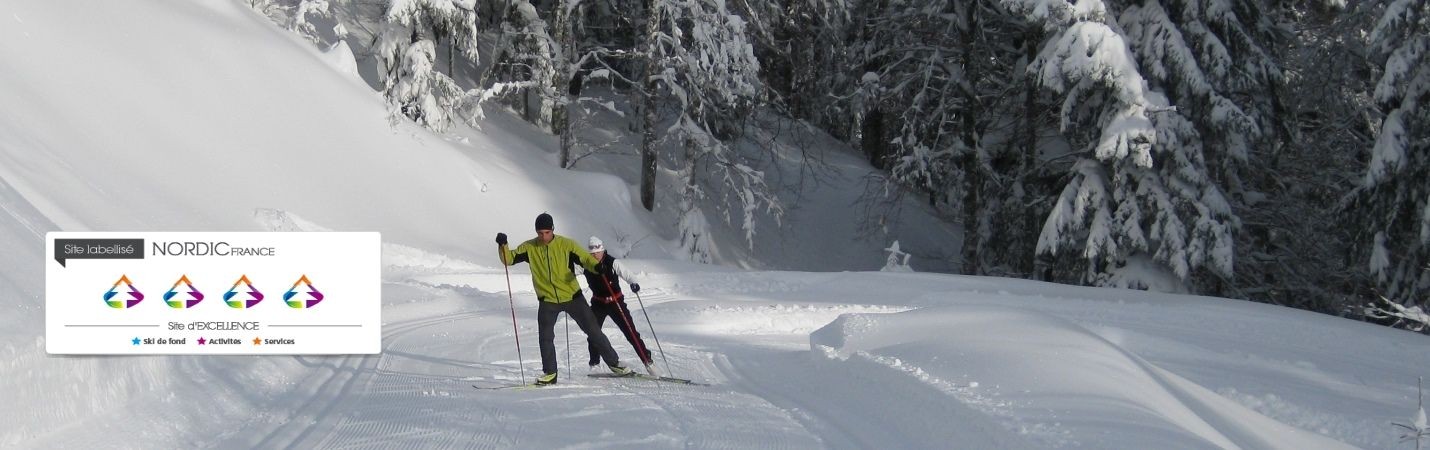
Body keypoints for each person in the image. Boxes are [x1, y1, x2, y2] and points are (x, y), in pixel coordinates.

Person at [496, 213, 632, 385]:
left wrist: (597, 267)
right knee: (545, 337)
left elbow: (585, 259)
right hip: (547, 300)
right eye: (540, 233)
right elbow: (508, 259)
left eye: (546, 232)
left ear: (552, 229)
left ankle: (614, 363)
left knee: (593, 330)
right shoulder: (530, 247)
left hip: (572, 297)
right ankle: (550, 373)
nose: (543, 236)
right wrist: (503, 245)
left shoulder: (566, 245)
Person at [579, 236, 657, 376]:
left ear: (602, 250)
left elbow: (627, 274)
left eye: (598, 252)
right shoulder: (586, 264)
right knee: (593, 333)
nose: (595, 255)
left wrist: (633, 282)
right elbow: (571, 271)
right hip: (598, 302)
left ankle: (648, 362)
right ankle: (594, 364)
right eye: (592, 253)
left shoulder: (612, 262)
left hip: (616, 302)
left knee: (630, 332)